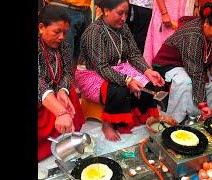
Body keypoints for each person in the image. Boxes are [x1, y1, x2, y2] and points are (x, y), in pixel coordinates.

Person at [75, 0, 165, 141]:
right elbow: (101, 67)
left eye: (126, 13)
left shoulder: (123, 27)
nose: (124, 18)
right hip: (92, 73)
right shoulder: (94, 32)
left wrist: (147, 71)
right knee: (120, 90)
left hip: (119, 67)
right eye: (120, 13)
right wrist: (127, 80)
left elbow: (134, 54)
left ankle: (136, 115)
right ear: (105, 11)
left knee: (148, 84)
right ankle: (108, 124)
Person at [152, 2, 212, 122]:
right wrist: (202, 104)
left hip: (193, 62)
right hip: (169, 64)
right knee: (185, 81)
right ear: (206, 23)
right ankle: (175, 120)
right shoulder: (193, 35)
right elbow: (195, 72)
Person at [38, 5, 85, 161]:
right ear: (41, 27)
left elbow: (66, 72)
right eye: (57, 32)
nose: (61, 37)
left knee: (70, 91)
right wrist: (60, 111)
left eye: (65, 32)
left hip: (56, 90)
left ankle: (66, 134)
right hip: (41, 97)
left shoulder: (63, 44)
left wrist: (62, 91)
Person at [143, 0, 199, 66]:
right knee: (161, 46)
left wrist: (196, 6)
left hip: (184, 9)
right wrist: (164, 13)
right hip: (167, 11)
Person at [45, 0, 92, 69]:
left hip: (85, 9)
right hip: (62, 6)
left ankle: (69, 78)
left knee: (77, 57)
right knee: (63, 57)